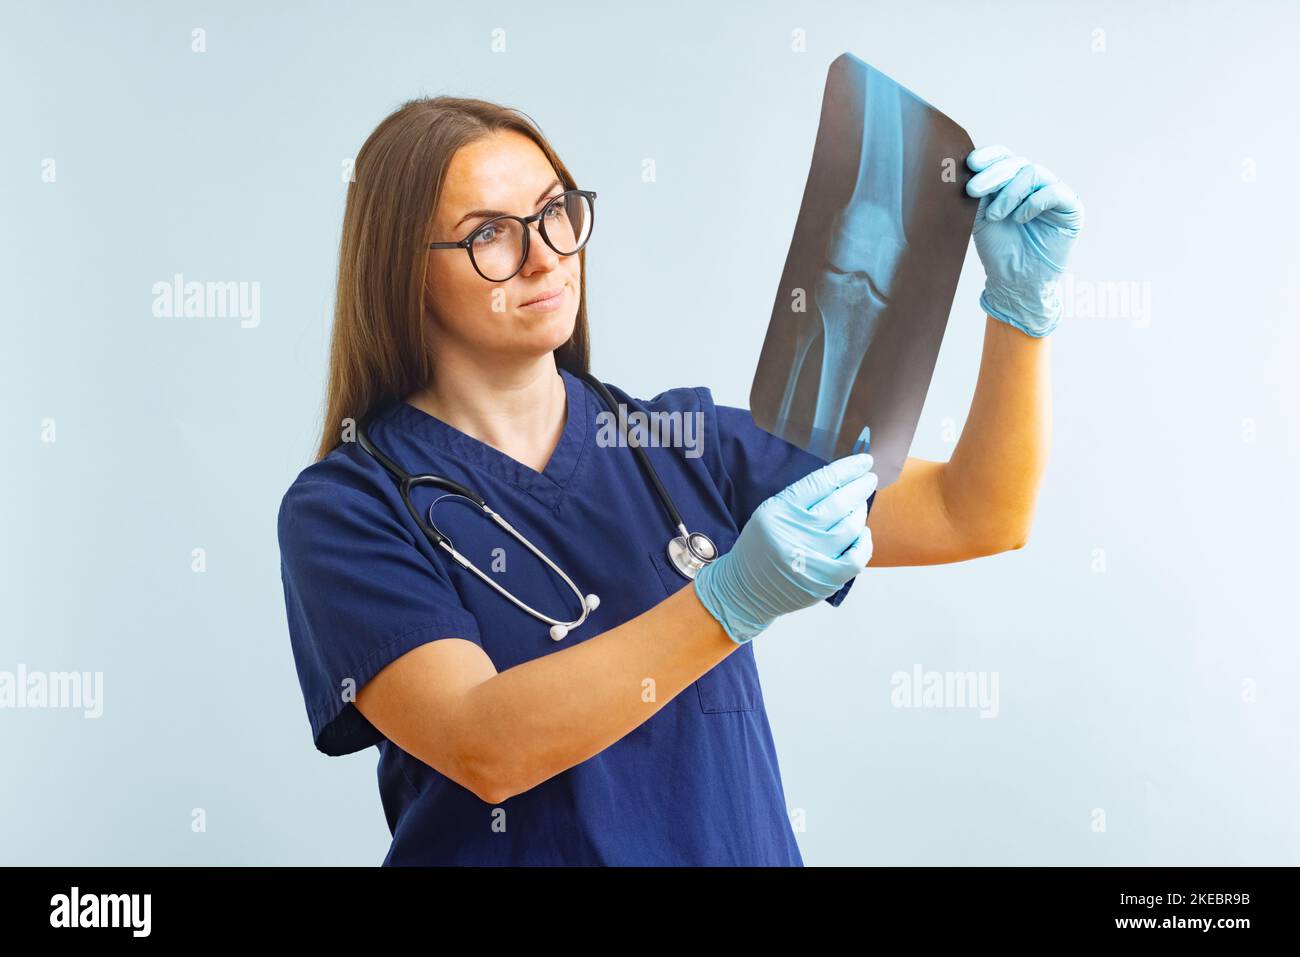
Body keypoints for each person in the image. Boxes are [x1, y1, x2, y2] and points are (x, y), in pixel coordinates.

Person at [276, 96, 1084, 865]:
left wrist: (1021, 311)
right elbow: (485, 745)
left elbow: (975, 513)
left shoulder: (685, 444)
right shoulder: (350, 509)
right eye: (490, 233)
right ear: (400, 272)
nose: (546, 254)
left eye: (556, 211)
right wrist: (729, 599)